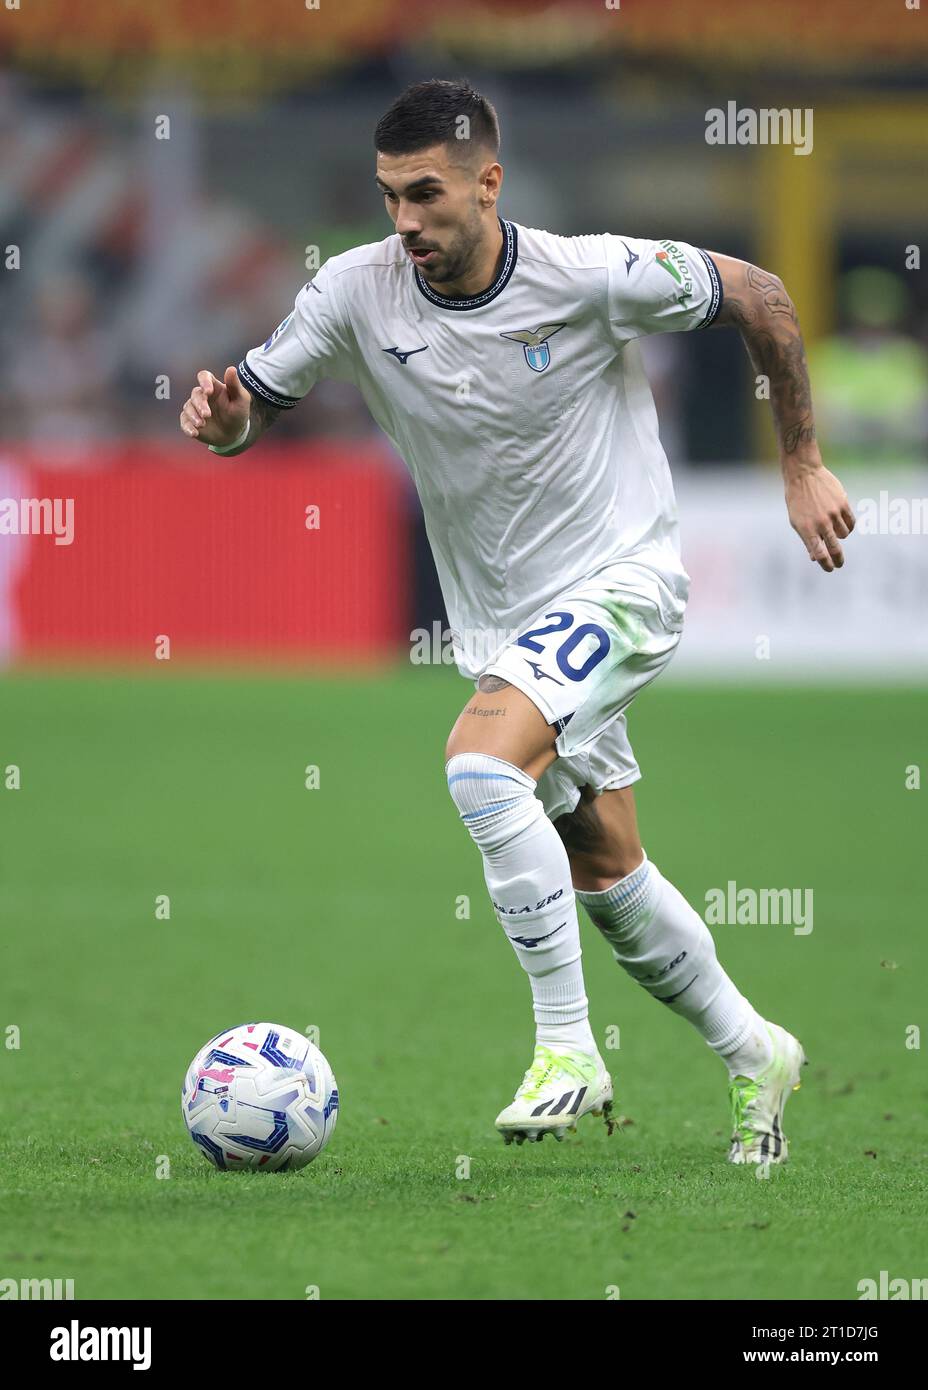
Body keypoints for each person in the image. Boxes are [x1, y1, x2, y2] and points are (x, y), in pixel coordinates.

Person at [179, 79, 855, 1164]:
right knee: (605, 868)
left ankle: (567, 1048)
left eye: (427, 196)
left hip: (624, 583)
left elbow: (763, 295)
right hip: (506, 625)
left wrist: (801, 458)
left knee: (480, 769)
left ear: (489, 184)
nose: (405, 222)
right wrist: (222, 425)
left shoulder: (589, 276)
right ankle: (753, 1048)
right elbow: (252, 402)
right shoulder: (354, 292)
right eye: (389, 198)